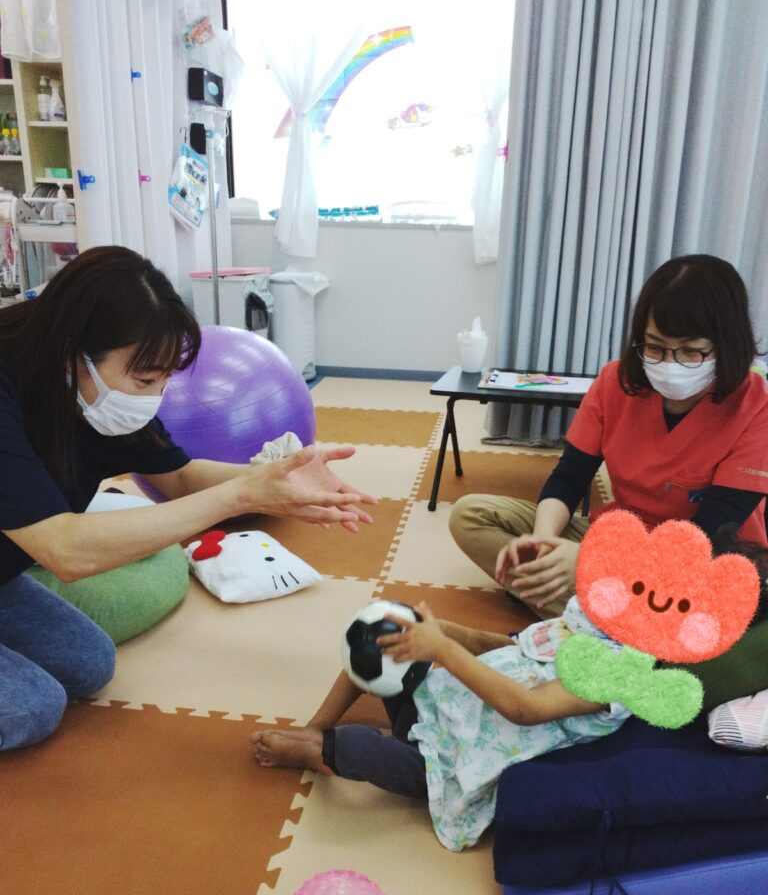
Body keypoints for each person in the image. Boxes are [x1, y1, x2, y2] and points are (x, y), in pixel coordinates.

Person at [0, 246, 376, 751]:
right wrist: (240, 495)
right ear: (75, 351)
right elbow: (64, 550)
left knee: (89, 664)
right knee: (34, 706)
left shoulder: (90, 390)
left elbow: (178, 475)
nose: (154, 396)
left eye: (163, 379)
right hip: (39, 549)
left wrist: (275, 481)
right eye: (145, 380)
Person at [449, 254, 768, 619]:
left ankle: (587, 610)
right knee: (471, 515)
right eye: (654, 347)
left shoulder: (757, 407)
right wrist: (543, 542)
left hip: (702, 562)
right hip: (619, 538)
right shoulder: (617, 382)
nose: (669, 364)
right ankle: (597, 614)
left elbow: (707, 535)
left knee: (709, 608)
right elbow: (569, 477)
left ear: (727, 345)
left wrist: (592, 560)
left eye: (691, 352)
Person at [252, 598, 631, 852]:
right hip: (438, 701)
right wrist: (444, 631)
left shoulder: (616, 674)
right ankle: (317, 725)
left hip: (453, 760)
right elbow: (510, 647)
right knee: (383, 640)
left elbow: (523, 708)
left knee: (360, 746)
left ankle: (317, 751)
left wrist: (443, 649)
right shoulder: (581, 623)